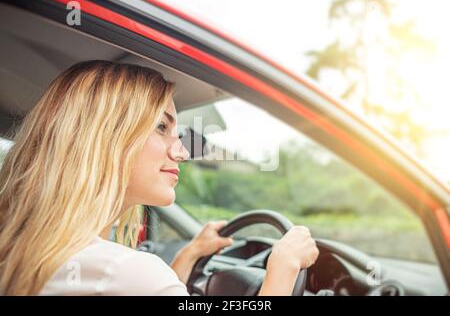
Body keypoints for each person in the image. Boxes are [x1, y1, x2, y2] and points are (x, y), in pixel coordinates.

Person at [0, 61, 319, 296]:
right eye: (161, 127)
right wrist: (283, 268)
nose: (181, 152)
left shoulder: (29, 249)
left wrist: (189, 255)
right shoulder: (123, 271)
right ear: (105, 138)